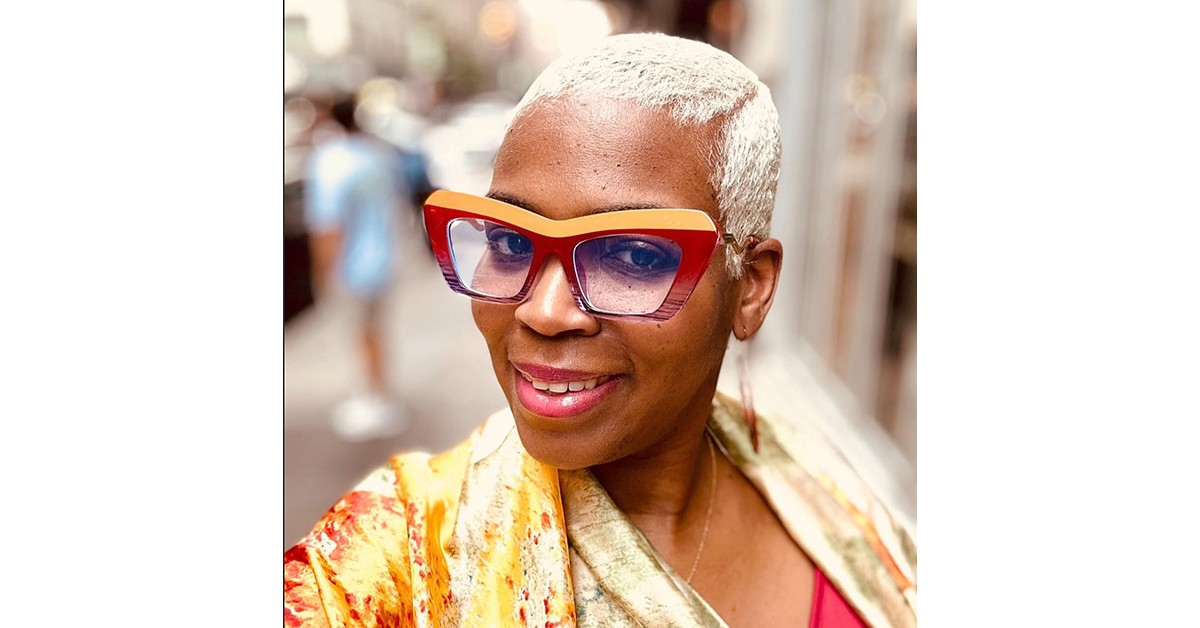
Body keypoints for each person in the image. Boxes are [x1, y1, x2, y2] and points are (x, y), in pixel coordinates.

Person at [285, 33, 916, 627]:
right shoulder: (392, 561)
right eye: (510, 242)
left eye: (634, 256)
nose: (544, 312)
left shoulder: (825, 493)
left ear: (749, 287)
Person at [305, 94, 411, 441]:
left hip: (352, 266)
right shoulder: (376, 154)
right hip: (384, 259)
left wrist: (323, 270)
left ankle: (375, 399)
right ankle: (380, 394)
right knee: (376, 330)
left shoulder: (330, 161)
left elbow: (329, 225)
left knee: (361, 332)